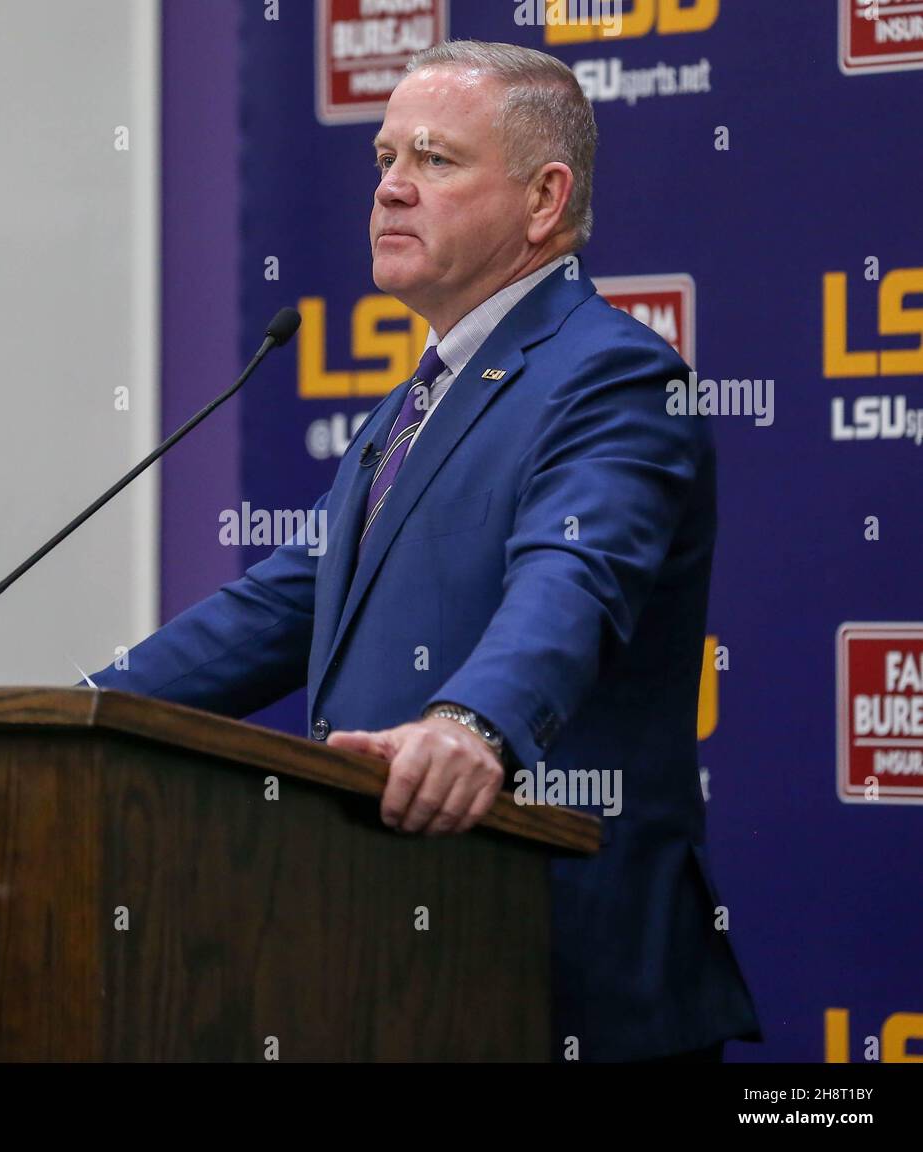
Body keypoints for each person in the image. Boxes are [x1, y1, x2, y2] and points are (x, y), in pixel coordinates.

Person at [92, 39, 761, 1063]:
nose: (391, 190)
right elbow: (283, 603)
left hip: (554, 964)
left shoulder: (615, 376)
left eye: (434, 161)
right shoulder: (415, 403)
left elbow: (570, 579)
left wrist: (470, 725)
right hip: (394, 960)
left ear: (543, 200)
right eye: (382, 159)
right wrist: (77, 710)